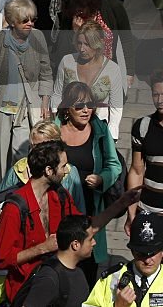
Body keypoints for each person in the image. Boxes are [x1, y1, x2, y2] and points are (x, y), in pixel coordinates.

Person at [0, 140, 86, 301]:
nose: (66, 171)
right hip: (26, 291)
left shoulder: (59, 195)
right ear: (49, 170)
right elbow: (2, 260)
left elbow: (84, 224)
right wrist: (42, 248)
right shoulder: (14, 209)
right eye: (63, 166)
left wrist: (120, 204)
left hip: (56, 286)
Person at [0, 121, 86, 248]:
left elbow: (78, 213)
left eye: (42, 147)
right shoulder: (19, 169)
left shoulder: (69, 173)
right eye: (32, 146)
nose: (35, 152)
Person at [55, 81, 123, 283]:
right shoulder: (54, 130)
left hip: (90, 206)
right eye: (79, 106)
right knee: (61, 260)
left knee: (87, 262)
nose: (86, 110)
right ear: (67, 108)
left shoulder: (100, 130)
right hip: (61, 206)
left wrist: (102, 178)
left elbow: (114, 164)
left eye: (90, 105)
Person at [0, 0, 53, 185]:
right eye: (25, 20)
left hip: (26, 107)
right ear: (12, 22)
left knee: (21, 153)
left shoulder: (38, 38)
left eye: (33, 19)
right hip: (3, 106)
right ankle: (0, 192)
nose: (30, 24)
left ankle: (18, 190)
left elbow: (46, 72)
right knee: (0, 155)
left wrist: (45, 102)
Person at [52, 25, 125, 141]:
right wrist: (56, 123)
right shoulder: (67, 61)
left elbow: (116, 107)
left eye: (87, 44)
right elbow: (57, 94)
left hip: (98, 128)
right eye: (79, 43)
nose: (82, 49)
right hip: (69, 125)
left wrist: (111, 137)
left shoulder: (112, 69)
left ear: (99, 43)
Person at [11, 214, 95, 307]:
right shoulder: (49, 278)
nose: (94, 243)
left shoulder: (78, 270)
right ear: (75, 245)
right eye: (90, 239)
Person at [128, 72, 163, 234]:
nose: (160, 100)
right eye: (156, 94)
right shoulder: (142, 126)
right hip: (148, 210)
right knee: (146, 258)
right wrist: (131, 213)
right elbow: (136, 170)